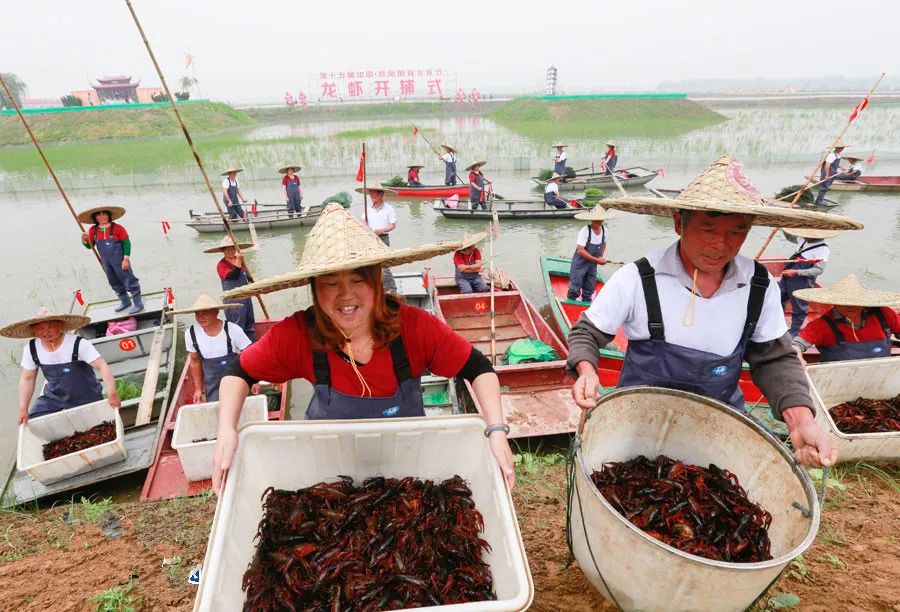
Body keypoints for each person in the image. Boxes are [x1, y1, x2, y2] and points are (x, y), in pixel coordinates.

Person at [567, 156, 863, 468]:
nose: (720, 244)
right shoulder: (638, 278)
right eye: (708, 228)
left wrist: (801, 421)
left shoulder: (759, 285)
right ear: (680, 223)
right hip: (635, 431)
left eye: (736, 231)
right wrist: (587, 371)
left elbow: (775, 358)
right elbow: (587, 332)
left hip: (718, 432)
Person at [211, 204, 515, 492]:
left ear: (377, 282)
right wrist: (226, 429)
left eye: (359, 279)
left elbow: (479, 369)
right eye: (331, 282)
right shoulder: (299, 333)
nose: (346, 295)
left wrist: (497, 430)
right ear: (314, 286)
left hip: (406, 470)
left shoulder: (414, 327)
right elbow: (239, 373)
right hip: (327, 474)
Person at [1, 307, 120, 423]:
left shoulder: (78, 343)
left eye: (50, 326)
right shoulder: (31, 349)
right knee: (33, 421)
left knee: (98, 425)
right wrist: (23, 408)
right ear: (34, 331)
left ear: (60, 325)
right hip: (54, 397)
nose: (46, 332)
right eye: (40, 328)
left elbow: (102, 365)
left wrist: (112, 393)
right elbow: (28, 378)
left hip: (86, 395)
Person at [792, 274, 900, 363]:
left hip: (881, 378)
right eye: (845, 302)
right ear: (834, 302)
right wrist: (799, 358)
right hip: (840, 382)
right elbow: (796, 345)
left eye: (856, 301)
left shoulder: (883, 314)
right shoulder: (822, 325)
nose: (851, 306)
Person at [173, 294, 253, 403]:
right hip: (213, 386)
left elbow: (249, 355)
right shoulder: (190, 334)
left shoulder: (233, 330)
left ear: (216, 312)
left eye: (205, 312)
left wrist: (253, 381)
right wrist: (198, 389)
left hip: (236, 380)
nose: (201, 317)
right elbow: (195, 361)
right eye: (197, 313)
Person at [79, 206, 143, 314]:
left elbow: (126, 243)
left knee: (129, 280)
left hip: (120, 261)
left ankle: (138, 303)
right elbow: (90, 247)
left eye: (104, 214)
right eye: (99, 215)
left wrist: (126, 259)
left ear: (109, 216)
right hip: (106, 262)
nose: (102, 217)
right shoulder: (93, 230)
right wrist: (85, 240)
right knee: (113, 281)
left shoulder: (118, 228)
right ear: (95, 218)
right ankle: (125, 301)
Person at [778, 227, 837, 337]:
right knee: (778, 297)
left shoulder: (823, 249)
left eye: (807, 234)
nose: (803, 235)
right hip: (789, 273)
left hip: (801, 279)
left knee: (799, 307)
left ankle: (794, 333)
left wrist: (797, 272)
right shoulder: (804, 239)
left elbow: (818, 270)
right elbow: (791, 237)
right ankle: (777, 322)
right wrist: (783, 228)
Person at [204, 236, 257, 342]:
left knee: (249, 322)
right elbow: (234, 275)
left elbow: (245, 275)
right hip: (233, 299)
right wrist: (239, 260)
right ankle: (238, 350)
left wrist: (250, 278)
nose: (230, 251)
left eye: (232, 248)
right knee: (237, 325)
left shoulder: (240, 262)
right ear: (223, 251)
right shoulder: (221, 265)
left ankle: (251, 345)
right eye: (227, 249)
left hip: (245, 296)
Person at [567, 207, 616, 301]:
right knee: (575, 286)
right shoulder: (585, 231)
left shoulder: (605, 230)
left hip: (592, 264)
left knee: (590, 285)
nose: (599, 222)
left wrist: (601, 256)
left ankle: (587, 303)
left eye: (600, 220)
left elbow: (604, 243)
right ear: (592, 219)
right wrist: (597, 260)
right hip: (580, 263)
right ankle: (570, 302)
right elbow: (580, 250)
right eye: (596, 220)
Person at [357, 185, 398, 293]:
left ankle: (392, 290)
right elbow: (363, 223)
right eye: (371, 194)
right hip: (370, 238)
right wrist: (366, 227)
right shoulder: (368, 209)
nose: (372, 196)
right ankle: (375, 286)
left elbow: (393, 225)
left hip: (383, 237)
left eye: (375, 194)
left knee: (384, 264)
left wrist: (382, 230)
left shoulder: (389, 209)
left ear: (381, 194)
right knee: (371, 263)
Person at [814, 141, 848, 206]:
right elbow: (827, 165)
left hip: (832, 172)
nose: (842, 149)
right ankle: (819, 201)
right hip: (827, 172)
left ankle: (820, 199)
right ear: (837, 148)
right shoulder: (831, 155)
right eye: (841, 148)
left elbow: (835, 163)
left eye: (842, 148)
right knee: (824, 186)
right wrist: (827, 175)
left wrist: (841, 167)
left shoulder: (837, 155)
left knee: (827, 186)